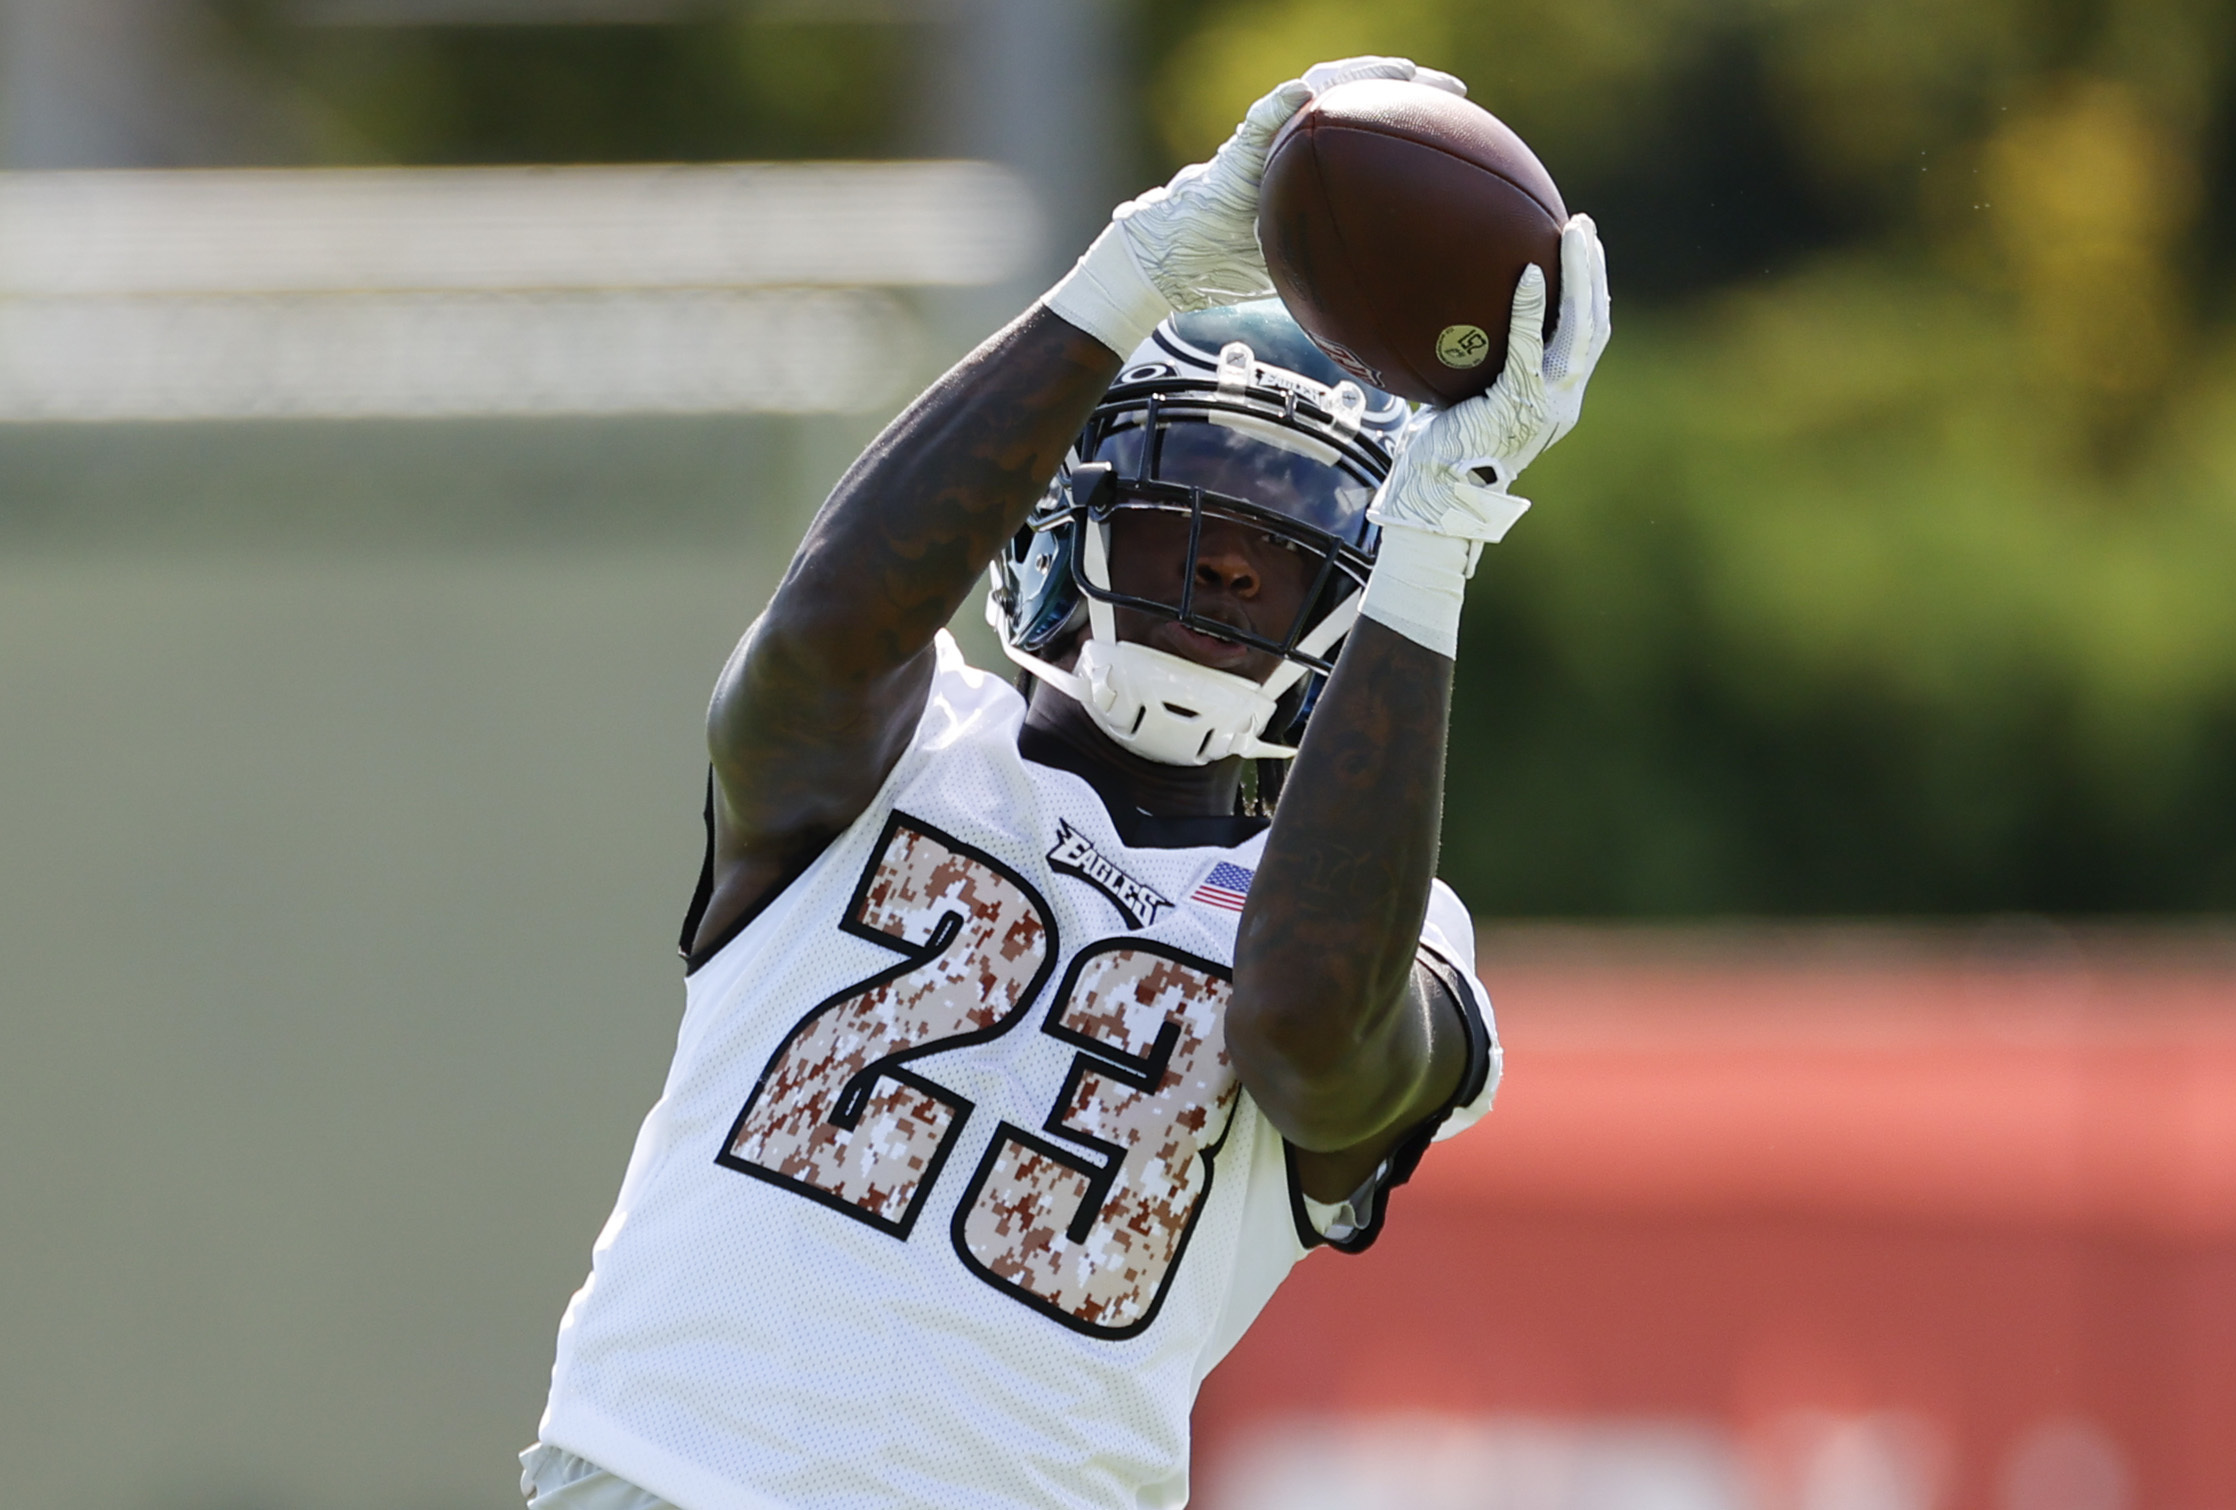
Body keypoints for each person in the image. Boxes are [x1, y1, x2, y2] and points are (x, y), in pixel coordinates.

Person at [522, 55, 1611, 1510]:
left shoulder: (1382, 925)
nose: (1230, 561)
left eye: (1287, 540)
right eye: (1186, 507)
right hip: (675, 1474)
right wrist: (1129, 277)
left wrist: (1440, 534)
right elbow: (813, 653)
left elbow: (1304, 1036)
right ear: (1054, 521)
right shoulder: (904, 747)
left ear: (1350, 597)